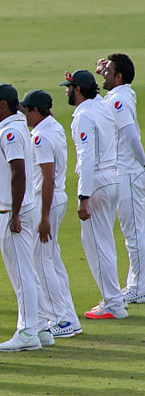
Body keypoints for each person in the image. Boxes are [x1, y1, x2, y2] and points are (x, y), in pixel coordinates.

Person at [0, 83, 50, 351]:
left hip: (13, 212)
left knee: (21, 275)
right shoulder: (15, 125)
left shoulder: (10, 132)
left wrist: (15, 214)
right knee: (27, 272)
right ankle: (41, 327)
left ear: (4, 104)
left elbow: (19, 173)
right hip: (17, 209)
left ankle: (27, 333)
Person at [60, 70, 125, 319]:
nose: (67, 91)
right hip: (112, 177)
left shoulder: (84, 116)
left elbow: (87, 157)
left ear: (77, 90)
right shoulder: (102, 107)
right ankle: (114, 299)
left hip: (96, 182)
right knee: (104, 242)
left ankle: (113, 303)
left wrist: (83, 196)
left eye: (69, 87)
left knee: (97, 245)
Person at [20, 90, 81, 338]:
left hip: (47, 200)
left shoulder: (41, 137)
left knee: (41, 261)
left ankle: (59, 320)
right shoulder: (52, 125)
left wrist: (43, 217)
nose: (23, 114)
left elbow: (47, 179)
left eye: (25, 110)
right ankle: (69, 318)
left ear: (36, 111)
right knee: (52, 260)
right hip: (56, 199)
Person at [97, 54, 145, 305]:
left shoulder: (119, 101)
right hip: (126, 171)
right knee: (134, 231)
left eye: (108, 71)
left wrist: (143, 161)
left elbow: (131, 137)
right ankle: (138, 283)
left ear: (119, 77)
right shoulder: (120, 94)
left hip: (127, 171)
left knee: (134, 232)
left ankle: (139, 287)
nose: (103, 73)